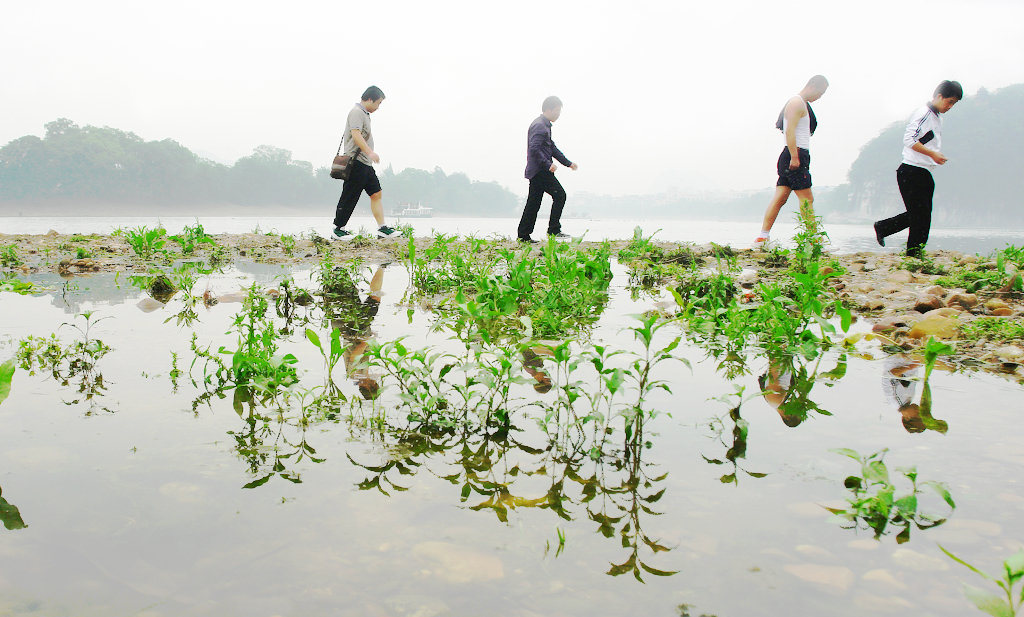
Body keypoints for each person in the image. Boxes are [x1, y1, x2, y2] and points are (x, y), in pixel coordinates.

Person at [873, 80, 963, 257]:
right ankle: (913, 252)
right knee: (919, 215)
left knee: (921, 214)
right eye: (949, 101)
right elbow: (909, 140)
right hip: (911, 170)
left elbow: (924, 141)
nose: (950, 106)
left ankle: (886, 229)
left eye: (954, 103)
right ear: (939, 96)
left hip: (923, 171)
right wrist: (933, 155)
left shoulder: (937, 118)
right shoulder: (924, 114)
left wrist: (934, 156)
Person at [754, 75, 829, 247]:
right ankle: (814, 239)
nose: (819, 97)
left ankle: (762, 237)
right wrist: (795, 157)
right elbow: (789, 131)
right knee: (806, 199)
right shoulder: (796, 102)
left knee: (780, 198)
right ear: (813, 86)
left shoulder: (800, 103)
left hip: (792, 155)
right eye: (820, 93)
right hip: (794, 154)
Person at [333, 86, 398, 240]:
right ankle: (338, 229)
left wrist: (368, 156)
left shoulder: (364, 114)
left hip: (365, 163)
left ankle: (382, 228)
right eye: (378, 103)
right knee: (350, 195)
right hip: (356, 162)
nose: (378, 107)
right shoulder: (356, 112)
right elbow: (355, 135)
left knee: (376, 193)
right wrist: (370, 152)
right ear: (370, 99)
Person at [517, 96, 578, 244]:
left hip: (537, 170)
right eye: (557, 111)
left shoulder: (544, 126)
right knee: (560, 195)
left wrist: (567, 163)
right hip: (540, 171)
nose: (558, 114)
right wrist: (547, 164)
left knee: (534, 202)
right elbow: (534, 148)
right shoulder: (539, 126)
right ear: (548, 110)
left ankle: (523, 235)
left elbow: (552, 148)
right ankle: (554, 230)